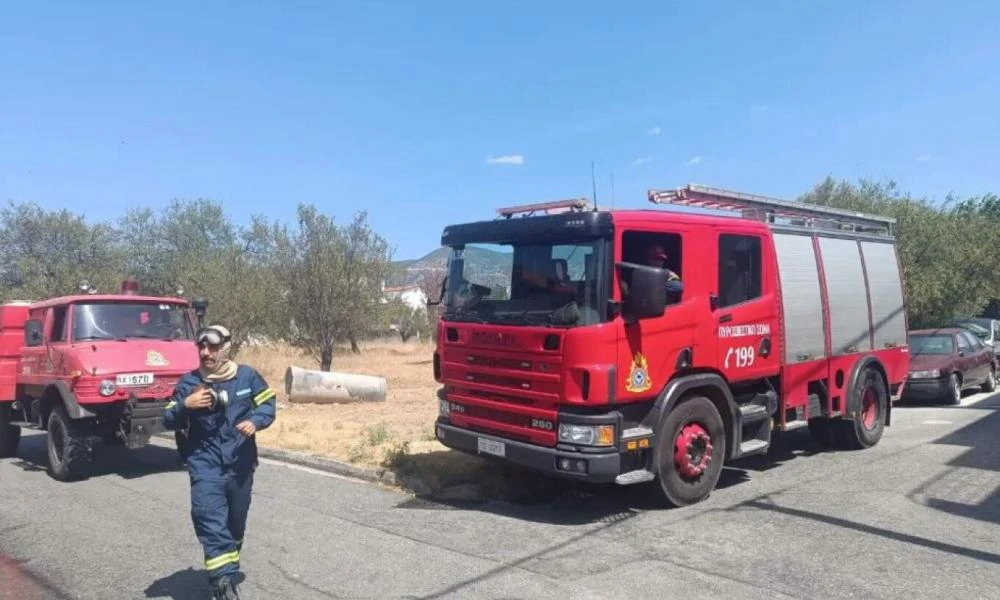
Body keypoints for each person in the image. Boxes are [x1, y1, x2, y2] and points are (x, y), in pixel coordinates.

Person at [163, 324, 277, 600]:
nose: (205, 353)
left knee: (235, 525)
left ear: (225, 348)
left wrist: (255, 420)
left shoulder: (247, 377)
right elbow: (167, 418)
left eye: (212, 347)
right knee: (210, 520)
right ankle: (221, 583)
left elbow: (268, 404)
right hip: (205, 464)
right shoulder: (189, 383)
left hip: (241, 464)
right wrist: (185, 405)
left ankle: (226, 565)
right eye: (201, 347)